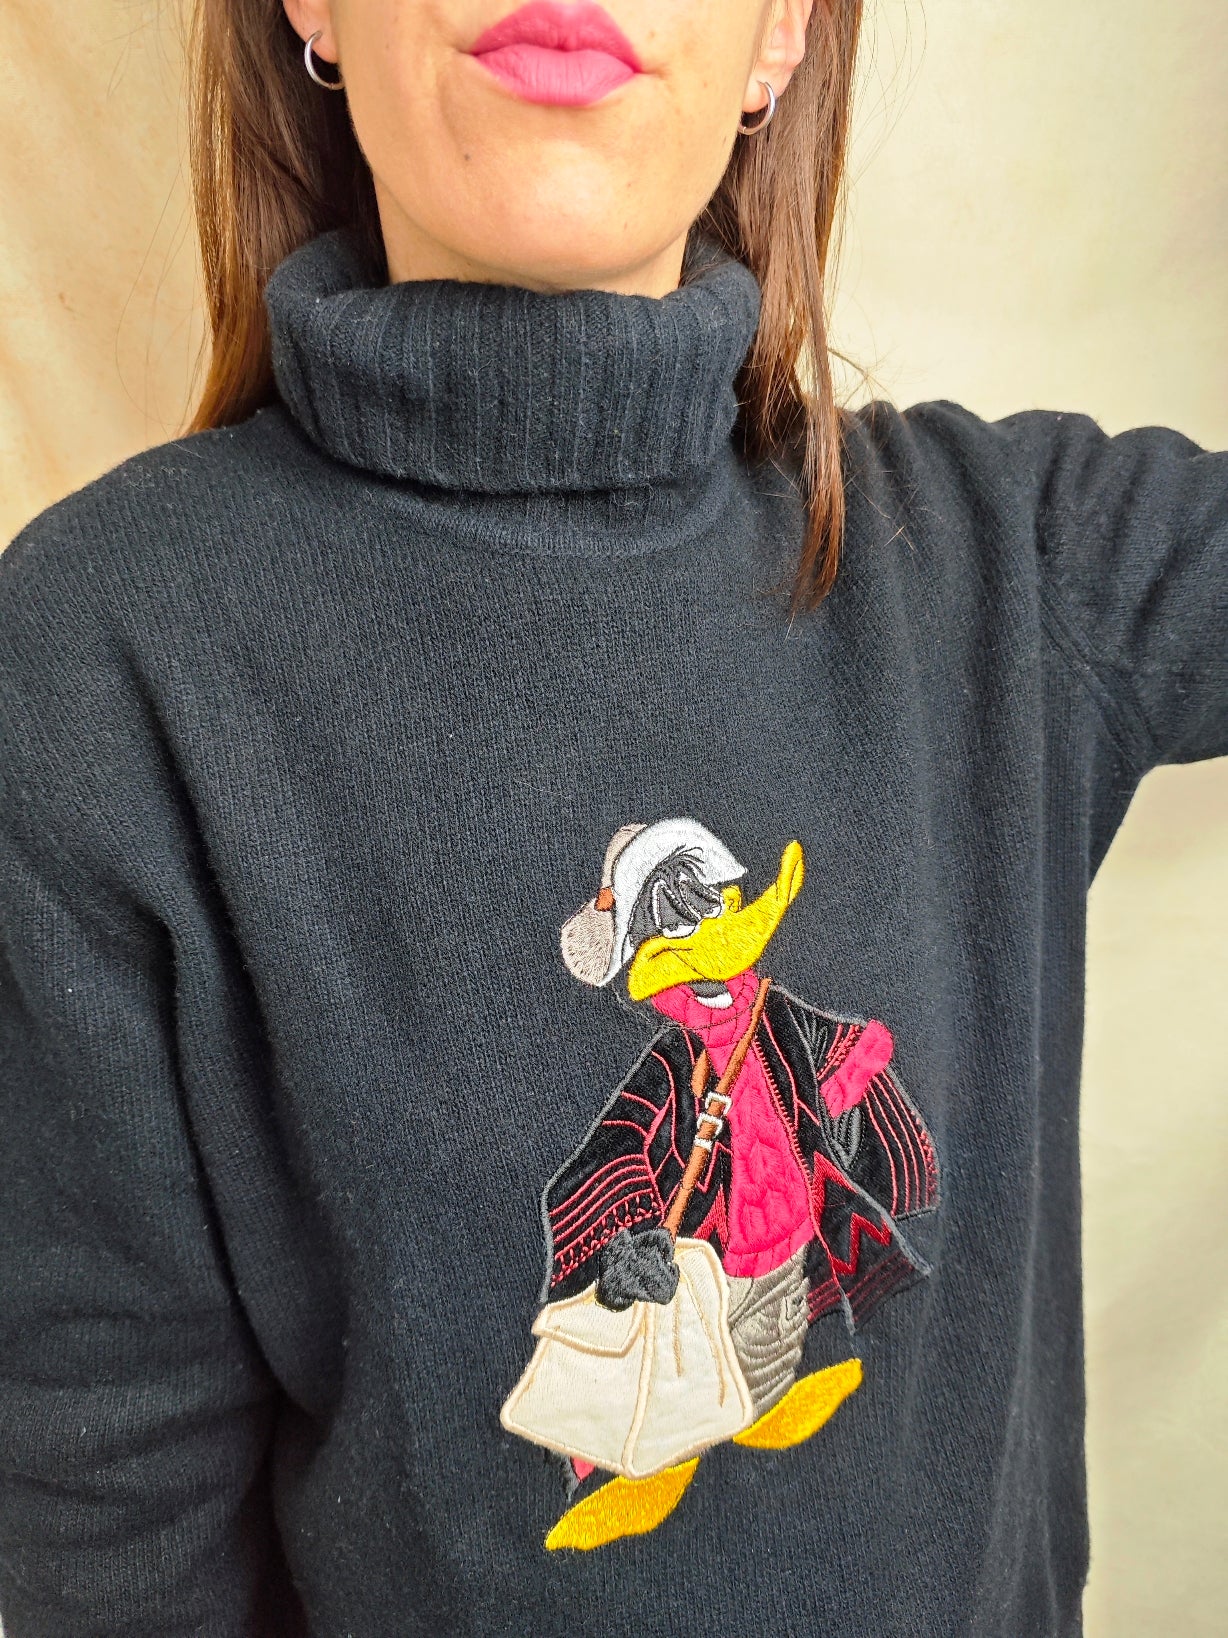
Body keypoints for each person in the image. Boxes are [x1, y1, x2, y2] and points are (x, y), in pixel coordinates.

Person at [0, 0, 1223, 1633]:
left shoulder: (1012, 570)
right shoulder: (101, 660)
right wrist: (619, 1250)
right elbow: (110, 1546)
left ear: (782, 32)